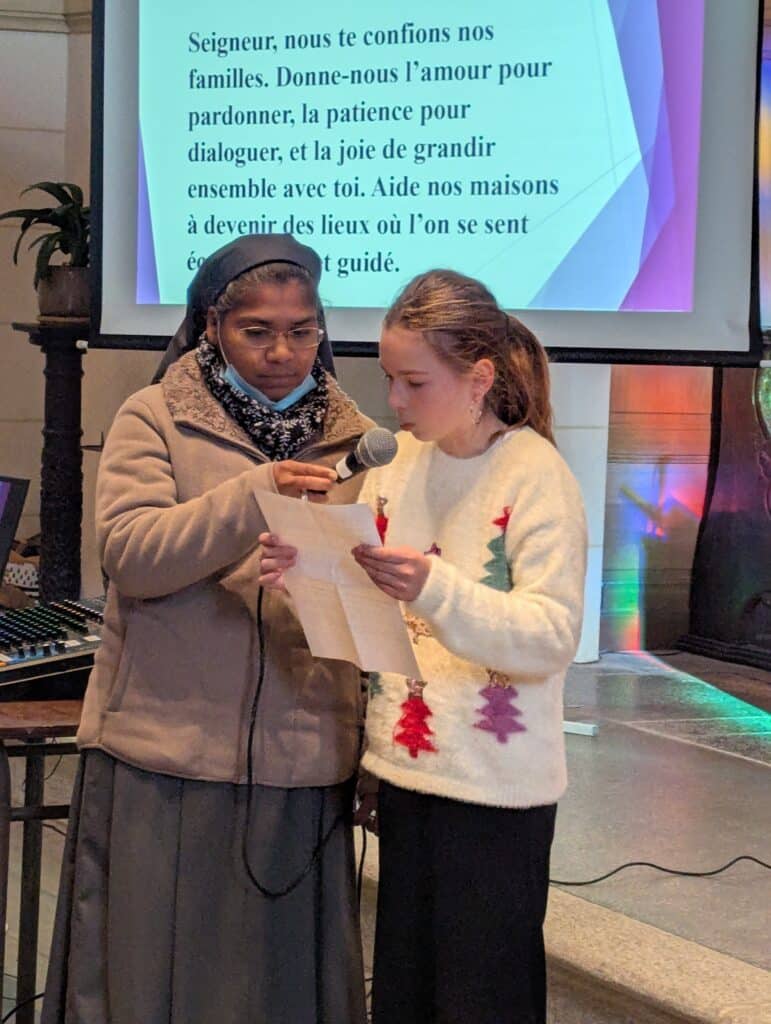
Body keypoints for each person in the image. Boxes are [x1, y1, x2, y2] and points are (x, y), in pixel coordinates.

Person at [41, 235, 371, 1024]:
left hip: (300, 753)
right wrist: (255, 496)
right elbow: (131, 556)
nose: (282, 352)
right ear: (212, 327)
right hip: (168, 750)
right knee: (158, 981)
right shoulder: (155, 415)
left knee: (277, 987)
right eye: (257, 332)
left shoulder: (356, 441)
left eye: (301, 331)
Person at [260, 269, 588, 1024]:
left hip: (495, 791)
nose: (395, 403)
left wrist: (435, 588)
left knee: (482, 997)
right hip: (406, 771)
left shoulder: (535, 475)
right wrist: (303, 575)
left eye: (414, 382)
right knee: (406, 992)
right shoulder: (398, 464)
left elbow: (550, 636)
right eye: (389, 379)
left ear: (479, 379)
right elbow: (368, 619)